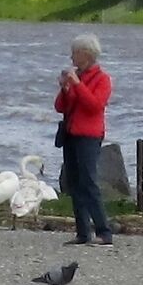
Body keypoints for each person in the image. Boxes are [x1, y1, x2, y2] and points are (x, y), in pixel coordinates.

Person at [54, 33, 117, 244]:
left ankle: (104, 231)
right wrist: (65, 88)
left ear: (86, 55)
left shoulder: (102, 79)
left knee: (89, 182)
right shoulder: (76, 78)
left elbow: (94, 106)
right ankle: (82, 232)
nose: (72, 58)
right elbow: (60, 107)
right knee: (74, 183)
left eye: (75, 53)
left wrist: (77, 85)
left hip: (89, 136)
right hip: (71, 134)